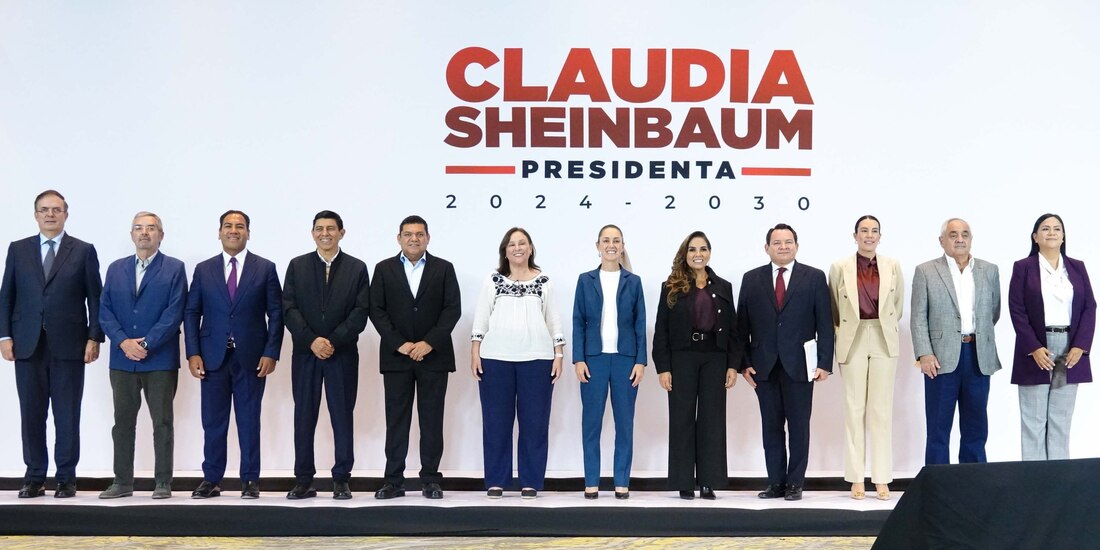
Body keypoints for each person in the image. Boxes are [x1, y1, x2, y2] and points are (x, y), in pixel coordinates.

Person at [0, 190, 103, 498]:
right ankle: (33, 477)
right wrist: (5, 336)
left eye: (56, 210)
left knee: (67, 413)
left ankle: (66, 478)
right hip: (27, 345)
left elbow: (95, 299)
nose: (50, 215)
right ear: (35, 215)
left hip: (70, 346)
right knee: (31, 413)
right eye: (44, 210)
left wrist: (94, 337)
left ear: (66, 214)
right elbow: (6, 296)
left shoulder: (83, 251)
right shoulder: (18, 250)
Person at [184, 210, 283, 499]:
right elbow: (192, 312)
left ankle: (250, 480)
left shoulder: (264, 268)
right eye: (228, 226)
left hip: (252, 359)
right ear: (219, 232)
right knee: (213, 422)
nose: (233, 230)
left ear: (248, 233)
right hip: (212, 358)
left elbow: (275, 314)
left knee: (249, 420)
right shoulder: (204, 269)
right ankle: (211, 478)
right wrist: (193, 352)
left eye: (240, 226)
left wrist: (271, 352)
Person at [737, 223, 833, 502]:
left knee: (799, 426)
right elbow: (742, 325)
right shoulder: (751, 279)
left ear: (797, 246)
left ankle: (795, 484)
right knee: (771, 427)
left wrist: (824, 362)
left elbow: (825, 323)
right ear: (766, 248)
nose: (783, 246)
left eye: (788, 242)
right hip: (763, 366)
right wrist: (744, 362)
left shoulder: (814, 277)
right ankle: (776, 482)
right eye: (777, 242)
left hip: (801, 365)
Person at [97, 212, 187, 500]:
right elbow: (104, 310)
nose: (144, 233)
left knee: (162, 421)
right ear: (131, 234)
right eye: (139, 228)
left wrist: (147, 344)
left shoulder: (174, 268)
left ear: (161, 235)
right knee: (122, 422)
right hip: (122, 360)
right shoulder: (115, 268)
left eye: (151, 228)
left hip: (159, 359)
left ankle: (163, 482)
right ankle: (122, 481)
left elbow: (174, 313)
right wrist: (123, 342)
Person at [370, 215, 461, 500]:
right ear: (399, 238)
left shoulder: (444, 268)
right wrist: (400, 344)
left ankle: (431, 479)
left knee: (431, 420)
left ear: (428, 238)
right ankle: (393, 480)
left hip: (433, 357)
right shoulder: (383, 269)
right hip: (397, 358)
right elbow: (376, 310)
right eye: (408, 234)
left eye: (419, 234)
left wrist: (428, 343)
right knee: (396, 420)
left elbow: (452, 310)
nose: (413, 239)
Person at [282, 210, 370, 500]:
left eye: (331, 228)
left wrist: (331, 341)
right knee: (304, 415)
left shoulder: (357, 268)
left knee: (342, 416)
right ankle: (304, 480)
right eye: (319, 228)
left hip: (341, 354)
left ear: (342, 233)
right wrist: (311, 341)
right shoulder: (297, 266)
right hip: (306, 354)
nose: (325, 233)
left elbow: (360, 313)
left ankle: (342, 479)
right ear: (312, 233)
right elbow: (289, 309)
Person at [470, 227, 564, 499]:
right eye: (512, 244)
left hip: (537, 359)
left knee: (534, 423)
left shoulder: (544, 281)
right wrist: (475, 350)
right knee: (496, 423)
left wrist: (558, 354)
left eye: (522, 243)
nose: (517, 248)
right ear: (505, 250)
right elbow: (481, 317)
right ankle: (496, 480)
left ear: (531, 248)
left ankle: (530, 481)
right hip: (496, 359)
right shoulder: (493, 279)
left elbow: (553, 319)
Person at [653, 231, 739, 500]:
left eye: (702, 249)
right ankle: (684, 482)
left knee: (712, 420)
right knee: (682, 420)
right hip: (682, 358)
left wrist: (733, 365)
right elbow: (661, 329)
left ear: (709, 253)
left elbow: (735, 331)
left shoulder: (723, 287)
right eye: (692, 249)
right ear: (685, 253)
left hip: (715, 357)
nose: (698, 254)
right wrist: (663, 367)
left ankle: (708, 482)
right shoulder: (671, 286)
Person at [911, 218, 1001, 465]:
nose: (959, 239)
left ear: (971, 239)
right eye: (953, 234)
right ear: (942, 241)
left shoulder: (989, 270)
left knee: (976, 427)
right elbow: (918, 317)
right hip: (939, 359)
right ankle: (939, 487)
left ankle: (972, 485)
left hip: (978, 356)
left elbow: (993, 311)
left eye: (965, 234)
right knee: (938, 429)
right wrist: (924, 354)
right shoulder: (926, 271)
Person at [828, 215, 904, 501]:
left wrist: (883, 325)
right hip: (852, 336)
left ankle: (882, 478)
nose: (869, 235)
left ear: (880, 236)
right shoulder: (839, 267)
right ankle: (856, 478)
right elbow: (834, 308)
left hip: (883, 336)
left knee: (881, 411)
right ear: (855, 235)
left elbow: (896, 307)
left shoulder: (893, 266)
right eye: (864, 231)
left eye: (874, 231)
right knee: (854, 409)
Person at [1008, 213, 1095, 460]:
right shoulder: (1023, 267)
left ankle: (1058, 485)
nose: (1052, 232)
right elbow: (1017, 309)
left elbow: (1090, 306)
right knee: (1034, 421)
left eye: (1057, 228)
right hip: (1036, 349)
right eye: (1045, 229)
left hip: (1070, 348)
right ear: (1035, 237)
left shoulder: (1077, 267)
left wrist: (1081, 345)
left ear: (1063, 235)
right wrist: (1033, 347)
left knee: (1060, 420)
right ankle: (1035, 484)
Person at [573, 225, 646, 500]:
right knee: (591, 423)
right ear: (598, 245)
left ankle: (621, 482)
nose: (611, 245)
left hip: (626, 361)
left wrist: (641, 361)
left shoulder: (633, 281)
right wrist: (578, 358)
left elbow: (640, 324)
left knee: (624, 423)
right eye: (606, 240)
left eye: (616, 240)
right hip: (594, 360)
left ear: (623, 245)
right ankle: (591, 481)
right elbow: (578, 320)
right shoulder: (585, 280)